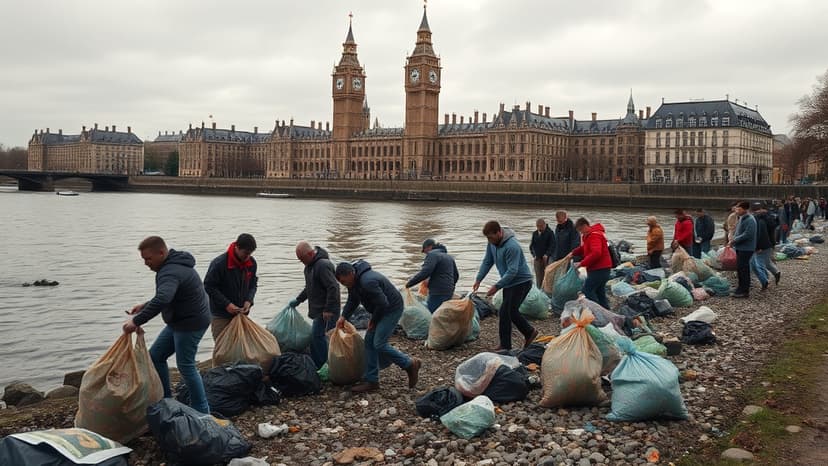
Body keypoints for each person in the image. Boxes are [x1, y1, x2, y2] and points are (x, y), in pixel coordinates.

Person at [123, 236, 211, 414]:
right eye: (143, 259)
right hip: (179, 320)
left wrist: (136, 321)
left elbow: (164, 298)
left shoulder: (169, 271)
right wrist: (145, 305)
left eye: (148, 258)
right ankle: (167, 401)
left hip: (190, 323)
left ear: (161, 253)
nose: (146, 263)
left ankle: (202, 411)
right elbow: (170, 294)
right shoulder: (174, 265)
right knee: (156, 356)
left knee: (186, 366)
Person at [335, 260, 421, 393]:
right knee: (369, 342)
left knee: (379, 343)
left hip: (392, 309)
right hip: (380, 309)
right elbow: (353, 300)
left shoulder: (367, 282)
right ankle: (372, 381)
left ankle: (410, 364)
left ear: (351, 273)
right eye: (341, 283)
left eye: (344, 282)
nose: (344, 284)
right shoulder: (353, 282)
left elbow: (383, 303)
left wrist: (373, 321)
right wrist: (343, 316)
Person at [472, 221, 537, 351]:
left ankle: (507, 344)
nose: (489, 240)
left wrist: (497, 286)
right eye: (487, 238)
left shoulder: (512, 246)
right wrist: (479, 279)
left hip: (521, 282)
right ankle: (528, 332)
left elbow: (513, 271)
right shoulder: (492, 244)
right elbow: (487, 261)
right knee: (509, 311)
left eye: (491, 237)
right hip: (509, 282)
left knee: (506, 312)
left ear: (499, 232)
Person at [291, 241, 341, 369]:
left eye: (302, 259)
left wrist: (328, 309)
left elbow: (333, 287)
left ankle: (328, 365)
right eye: (299, 260)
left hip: (328, 311)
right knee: (317, 337)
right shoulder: (309, 267)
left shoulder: (322, 265)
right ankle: (322, 365)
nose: (302, 262)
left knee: (324, 337)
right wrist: (298, 300)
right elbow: (309, 288)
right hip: (319, 310)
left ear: (310, 253)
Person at [204, 233, 258, 340]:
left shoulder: (251, 263)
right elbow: (209, 286)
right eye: (245, 253)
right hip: (221, 315)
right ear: (237, 247)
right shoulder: (219, 264)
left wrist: (249, 300)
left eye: (250, 253)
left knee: (243, 348)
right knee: (223, 349)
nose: (248, 257)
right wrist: (227, 304)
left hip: (241, 314)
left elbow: (253, 285)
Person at [405, 239, 459, 313]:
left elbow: (425, 272)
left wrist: (408, 284)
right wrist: (450, 286)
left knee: (430, 313)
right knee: (442, 313)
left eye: (424, 251)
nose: (425, 254)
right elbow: (456, 275)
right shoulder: (448, 256)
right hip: (449, 291)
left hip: (437, 291)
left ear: (429, 247)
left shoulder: (432, 255)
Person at [570, 217, 613, 309]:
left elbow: (596, 253)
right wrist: (573, 252)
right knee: (599, 291)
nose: (581, 233)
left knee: (587, 291)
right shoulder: (589, 235)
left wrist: (582, 263)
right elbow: (585, 248)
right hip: (602, 268)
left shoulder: (594, 236)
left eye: (581, 230)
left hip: (599, 269)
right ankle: (607, 312)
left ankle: (598, 312)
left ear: (585, 226)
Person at [729, 201, 757, 298]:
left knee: (744, 269)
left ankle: (744, 291)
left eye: (739, 209)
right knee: (740, 269)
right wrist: (732, 240)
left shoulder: (750, 220)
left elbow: (748, 234)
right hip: (740, 247)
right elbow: (738, 231)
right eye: (736, 208)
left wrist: (734, 240)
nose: (737, 210)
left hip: (746, 248)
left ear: (745, 209)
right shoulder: (742, 218)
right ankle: (740, 288)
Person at [750, 203, 781, 290]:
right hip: (771, 243)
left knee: (759, 264)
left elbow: (760, 234)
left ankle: (765, 281)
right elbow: (775, 226)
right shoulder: (768, 216)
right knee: (767, 262)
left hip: (763, 245)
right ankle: (776, 272)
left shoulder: (758, 219)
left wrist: (758, 247)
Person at [529, 218, 556, 287]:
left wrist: (547, 254)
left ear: (544, 225)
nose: (540, 228)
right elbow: (531, 246)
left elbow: (553, 245)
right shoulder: (535, 233)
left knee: (547, 277)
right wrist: (534, 255)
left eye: (541, 226)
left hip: (547, 258)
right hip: (537, 258)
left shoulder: (550, 233)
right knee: (538, 277)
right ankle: (539, 291)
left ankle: (548, 291)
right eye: (538, 226)